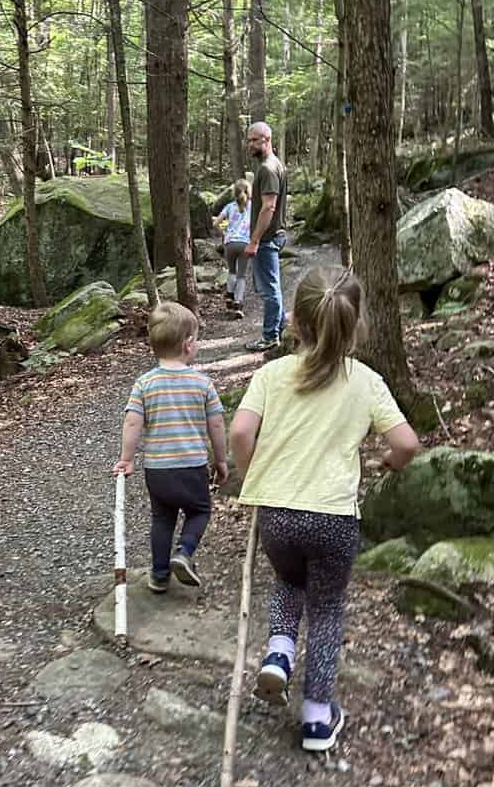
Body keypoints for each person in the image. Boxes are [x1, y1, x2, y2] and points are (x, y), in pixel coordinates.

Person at [229, 268, 421, 751]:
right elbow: (407, 444)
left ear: (294, 322)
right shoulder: (366, 382)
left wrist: (258, 475)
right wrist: (388, 462)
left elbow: (238, 434)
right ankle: (316, 717)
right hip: (334, 519)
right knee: (328, 609)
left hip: (279, 513)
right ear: (353, 327)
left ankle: (278, 652)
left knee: (289, 581)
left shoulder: (271, 376)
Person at [114, 302, 228, 592]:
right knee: (200, 511)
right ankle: (184, 552)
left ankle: (160, 575)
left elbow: (132, 424)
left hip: (158, 469)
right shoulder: (203, 384)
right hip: (191, 467)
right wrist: (221, 460)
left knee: (162, 519)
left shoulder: (144, 384)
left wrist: (127, 459)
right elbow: (216, 425)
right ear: (188, 345)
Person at [244, 122, 289, 352]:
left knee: (270, 289)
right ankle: (283, 329)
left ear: (267, 139)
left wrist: (255, 240)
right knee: (271, 287)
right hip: (271, 237)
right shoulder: (271, 165)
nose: (250, 144)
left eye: (255, 140)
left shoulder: (268, 169)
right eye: (249, 140)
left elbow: (269, 207)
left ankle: (271, 336)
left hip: (268, 239)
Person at [213, 178, 252, 320]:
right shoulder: (252, 207)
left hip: (230, 243)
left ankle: (229, 294)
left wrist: (224, 234)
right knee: (241, 275)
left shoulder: (229, 207)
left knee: (232, 271)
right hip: (245, 244)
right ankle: (238, 304)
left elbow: (216, 223)